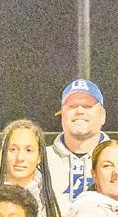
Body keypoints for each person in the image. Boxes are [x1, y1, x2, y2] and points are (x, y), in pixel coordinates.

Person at [0, 119, 66, 217]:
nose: (20, 157)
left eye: (29, 150)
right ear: (3, 152)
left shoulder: (55, 204)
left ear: (39, 156)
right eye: (13, 149)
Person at [43, 78, 112, 207]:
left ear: (102, 115)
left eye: (87, 106)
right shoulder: (40, 160)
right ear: (62, 114)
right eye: (72, 106)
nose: (79, 111)